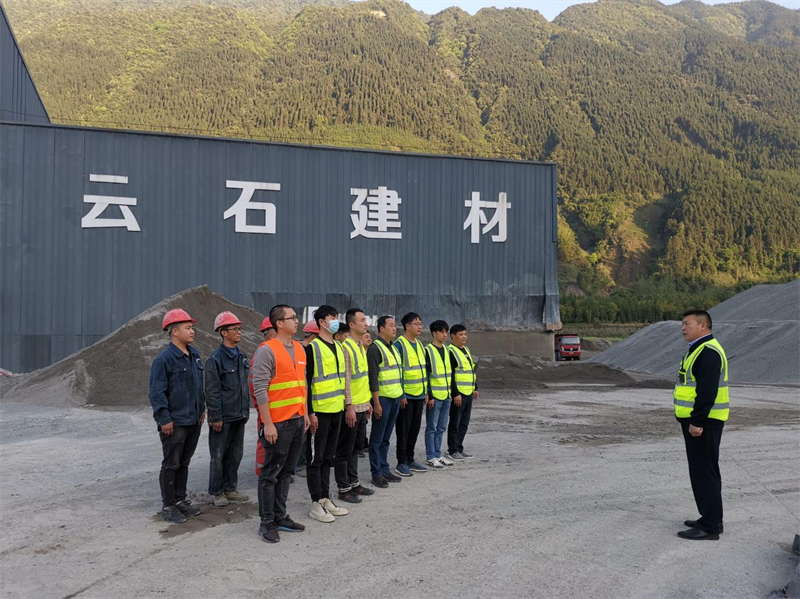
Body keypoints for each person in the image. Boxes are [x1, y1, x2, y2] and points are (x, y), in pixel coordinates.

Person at [251, 304, 310, 543]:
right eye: (292, 317)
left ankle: (280, 515)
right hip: (278, 423)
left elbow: (302, 384)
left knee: (286, 472)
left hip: (297, 420)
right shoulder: (267, 350)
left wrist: (305, 414)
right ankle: (266, 522)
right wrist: (268, 423)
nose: (297, 321)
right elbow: (260, 389)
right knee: (270, 474)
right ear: (279, 323)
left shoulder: (299, 349)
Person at [675, 309, 730, 541]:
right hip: (699, 422)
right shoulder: (698, 349)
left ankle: (710, 526)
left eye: (687, 323)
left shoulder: (707, 352)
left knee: (705, 472)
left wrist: (697, 421)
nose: (683, 328)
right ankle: (709, 517)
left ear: (703, 326)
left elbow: (707, 391)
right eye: (682, 324)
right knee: (701, 471)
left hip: (704, 423)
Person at [149, 308, 205, 524]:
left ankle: (180, 500)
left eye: (192, 328)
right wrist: (164, 419)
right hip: (175, 423)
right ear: (174, 331)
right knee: (171, 464)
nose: (192, 331)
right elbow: (157, 393)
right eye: (187, 328)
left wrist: (201, 410)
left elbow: (198, 387)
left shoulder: (195, 356)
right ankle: (169, 505)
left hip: (193, 420)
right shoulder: (163, 360)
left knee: (184, 462)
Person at [305, 305, 350, 523]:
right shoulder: (312, 348)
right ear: (322, 322)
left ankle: (325, 498)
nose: (335, 320)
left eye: (337, 317)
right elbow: (306, 383)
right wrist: (310, 412)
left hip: (336, 409)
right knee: (316, 458)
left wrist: (346, 405)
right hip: (320, 411)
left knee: (328, 457)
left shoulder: (339, 347)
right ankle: (316, 503)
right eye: (332, 317)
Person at [205, 311, 250, 507]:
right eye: (235, 329)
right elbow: (212, 390)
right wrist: (215, 416)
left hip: (239, 414)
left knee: (235, 454)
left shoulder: (242, 356)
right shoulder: (215, 359)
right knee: (218, 455)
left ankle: (231, 489)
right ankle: (217, 492)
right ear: (224, 333)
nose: (239, 332)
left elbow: (244, 385)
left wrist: (245, 410)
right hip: (223, 416)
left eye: (239, 328)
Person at [335, 308, 376, 503]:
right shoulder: (346, 347)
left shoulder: (360, 346)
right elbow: (346, 380)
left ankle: (354, 482)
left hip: (362, 406)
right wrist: (349, 406)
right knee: (345, 449)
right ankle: (343, 487)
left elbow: (362, 379)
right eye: (362, 320)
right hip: (351, 408)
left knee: (356, 448)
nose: (366, 324)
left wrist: (367, 402)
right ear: (351, 325)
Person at [367, 316, 404, 488]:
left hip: (395, 398)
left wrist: (401, 395)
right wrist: (376, 403)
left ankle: (384, 468)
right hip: (383, 399)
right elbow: (373, 378)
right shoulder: (375, 349)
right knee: (377, 438)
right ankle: (376, 473)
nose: (394, 328)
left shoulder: (393, 348)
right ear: (381, 328)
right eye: (391, 325)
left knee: (386, 438)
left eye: (395, 325)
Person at [393, 312, 429, 476]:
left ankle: (410, 459)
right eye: (416, 323)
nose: (420, 326)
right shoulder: (399, 345)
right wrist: (401, 394)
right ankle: (401, 462)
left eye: (421, 323)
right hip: (406, 396)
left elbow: (423, 370)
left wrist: (426, 391)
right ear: (407, 326)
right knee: (403, 430)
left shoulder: (420, 344)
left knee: (414, 429)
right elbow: (398, 372)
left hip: (419, 394)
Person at [424, 320, 454, 468]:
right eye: (442, 332)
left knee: (441, 427)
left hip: (446, 396)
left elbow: (449, 374)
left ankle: (438, 454)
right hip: (435, 397)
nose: (444, 335)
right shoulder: (428, 350)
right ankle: (431, 456)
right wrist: (429, 395)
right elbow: (426, 375)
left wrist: (450, 393)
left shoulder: (447, 350)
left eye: (446, 332)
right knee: (432, 427)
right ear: (434, 333)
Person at [446, 324, 478, 461]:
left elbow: (471, 370)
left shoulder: (466, 350)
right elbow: (451, 375)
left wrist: (475, 387)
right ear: (453, 336)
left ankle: (459, 448)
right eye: (461, 334)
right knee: (455, 423)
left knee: (464, 423)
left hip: (468, 393)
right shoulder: (450, 351)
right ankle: (452, 450)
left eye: (465, 334)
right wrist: (455, 393)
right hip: (458, 394)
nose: (464, 337)